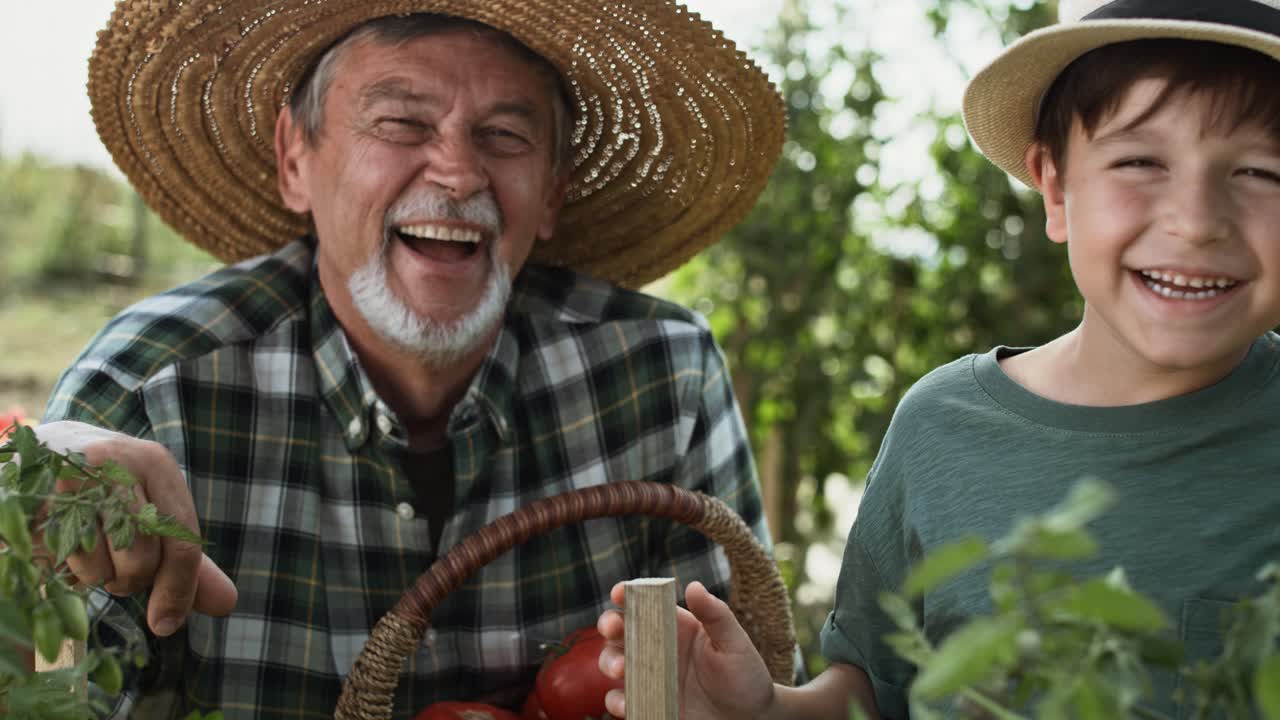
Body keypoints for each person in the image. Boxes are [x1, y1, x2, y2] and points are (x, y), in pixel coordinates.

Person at [30, 0, 786, 716]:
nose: (458, 173)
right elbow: (48, 648)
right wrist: (40, 489)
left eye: (505, 136)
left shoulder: (664, 374)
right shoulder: (152, 386)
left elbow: (746, 688)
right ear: (295, 158)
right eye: (400, 122)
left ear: (552, 193)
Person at [596, 1, 1280, 718]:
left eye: (1262, 172)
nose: (1198, 222)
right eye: (1141, 161)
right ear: (1054, 187)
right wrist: (766, 711)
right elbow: (872, 690)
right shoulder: (939, 432)